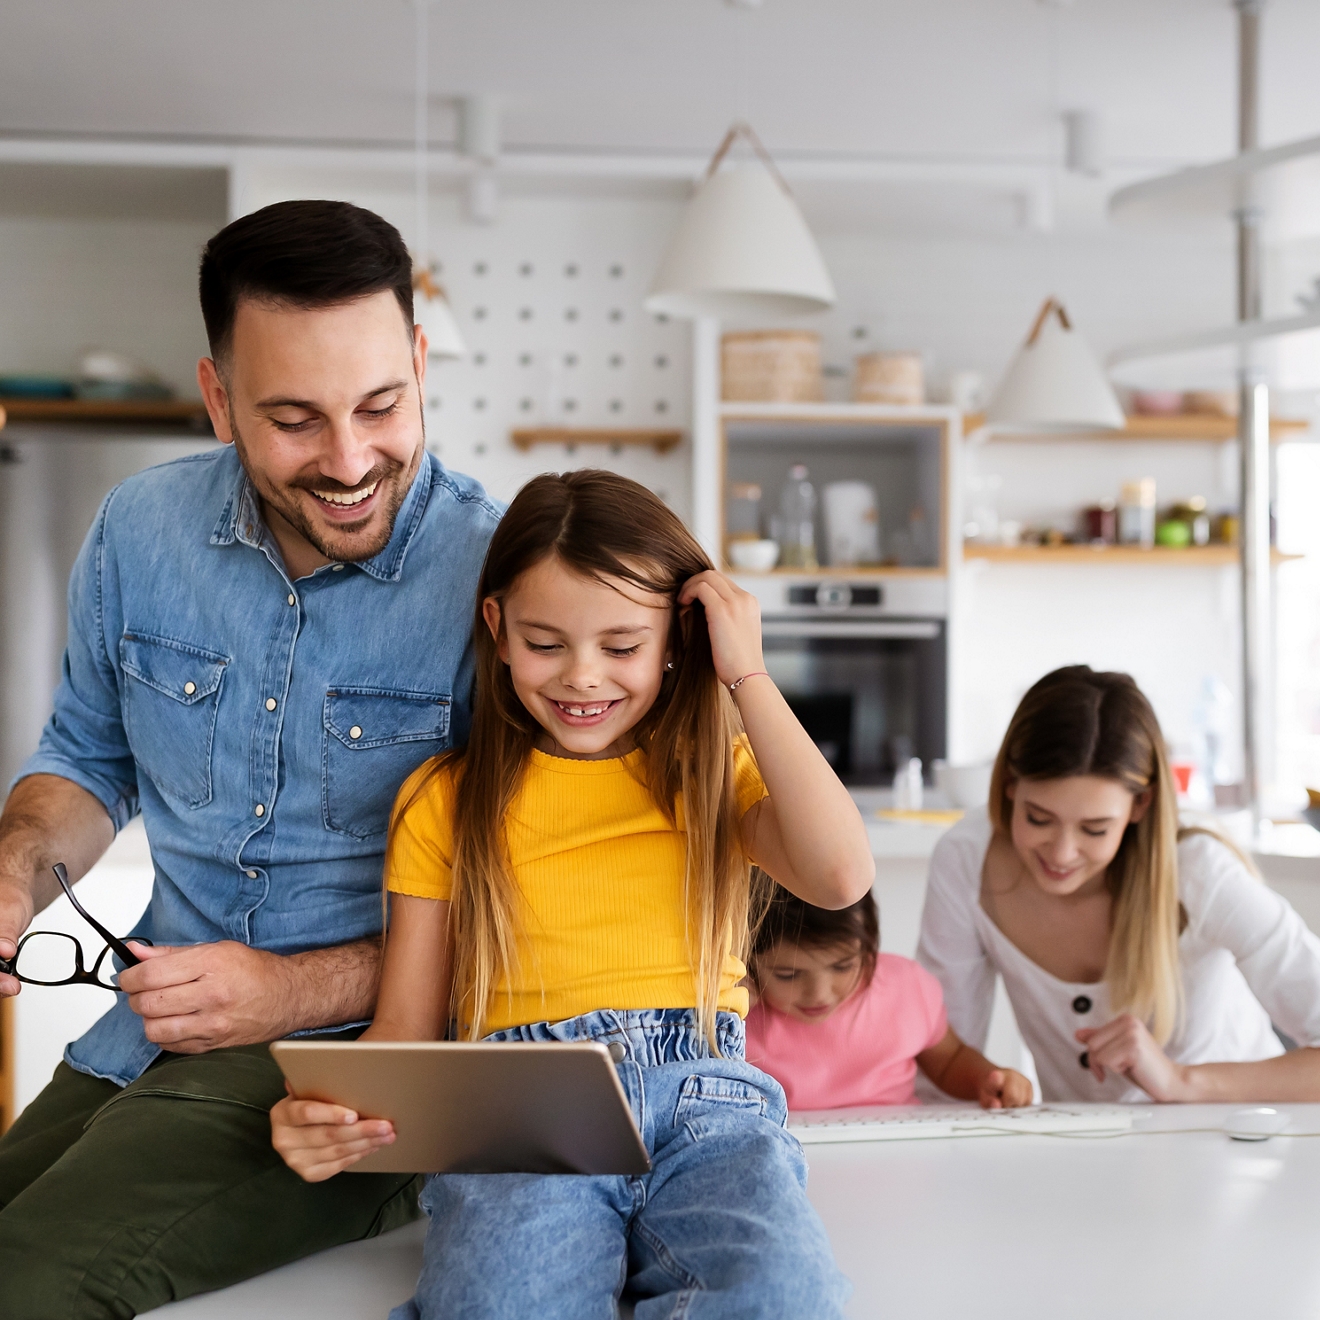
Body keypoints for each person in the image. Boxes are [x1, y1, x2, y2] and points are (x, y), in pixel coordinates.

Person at [0, 199, 501, 1316]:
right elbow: (88, 755)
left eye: (382, 404)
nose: (350, 460)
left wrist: (288, 991)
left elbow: (534, 909)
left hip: (358, 1076)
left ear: (422, 364)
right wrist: (15, 868)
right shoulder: (137, 530)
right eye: (294, 419)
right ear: (218, 397)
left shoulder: (503, 575)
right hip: (140, 1038)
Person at [270, 469, 875, 1318]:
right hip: (521, 1115)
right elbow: (405, 1026)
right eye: (546, 644)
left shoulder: (714, 775)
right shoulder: (444, 800)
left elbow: (840, 874)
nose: (583, 677)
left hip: (706, 1102)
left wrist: (747, 675)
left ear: (680, 638)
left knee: (786, 1298)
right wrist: (323, 1112)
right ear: (498, 629)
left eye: (622, 647)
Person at [918, 665, 1320, 1104]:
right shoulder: (966, 860)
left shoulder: (1200, 871)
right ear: (1010, 783)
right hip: (1083, 1143)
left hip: (1237, 1133)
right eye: (1038, 819)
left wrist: (1181, 1081)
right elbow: (939, 1057)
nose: (1062, 854)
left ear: (1140, 804)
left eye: (1094, 829)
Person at [746, 887, 1033, 1110]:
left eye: (843, 967)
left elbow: (948, 1062)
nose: (819, 993)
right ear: (749, 959)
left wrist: (988, 1078)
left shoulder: (905, 988)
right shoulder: (736, 1008)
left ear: (869, 946)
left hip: (894, 1143)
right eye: (788, 975)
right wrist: (729, 1010)